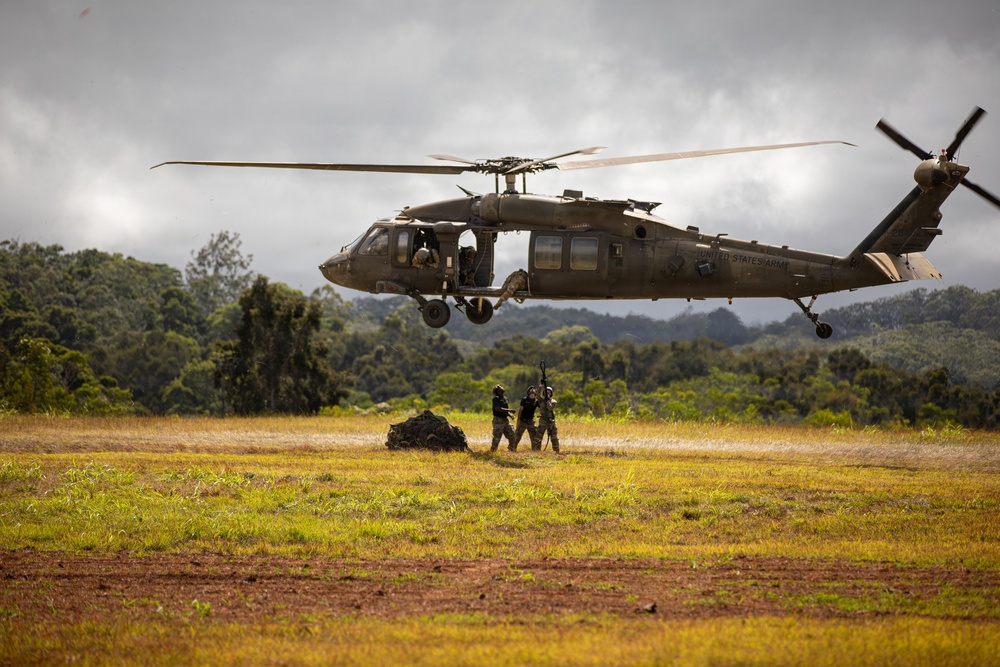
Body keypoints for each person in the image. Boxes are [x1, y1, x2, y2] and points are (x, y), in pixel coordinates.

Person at [511, 386, 540, 452]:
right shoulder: (524, 399)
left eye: (534, 389)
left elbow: (542, 407)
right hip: (523, 421)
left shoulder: (536, 401)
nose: (532, 390)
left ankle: (534, 450)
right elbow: (520, 410)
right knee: (517, 436)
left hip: (530, 421)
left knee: (533, 437)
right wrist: (518, 421)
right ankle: (512, 449)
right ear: (528, 391)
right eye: (531, 389)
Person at [490, 384, 516, 452]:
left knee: (512, 434)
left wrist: (509, 414)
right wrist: (510, 410)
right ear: (497, 391)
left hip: (505, 421)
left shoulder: (505, 398)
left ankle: (511, 449)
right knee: (497, 438)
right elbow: (498, 409)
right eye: (499, 387)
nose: (501, 387)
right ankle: (493, 451)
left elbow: (505, 409)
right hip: (498, 421)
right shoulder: (496, 398)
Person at [537, 386, 560, 453]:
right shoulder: (541, 400)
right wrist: (540, 387)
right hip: (543, 420)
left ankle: (556, 451)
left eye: (549, 391)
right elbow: (537, 394)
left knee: (554, 437)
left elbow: (550, 408)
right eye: (546, 391)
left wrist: (547, 400)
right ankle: (537, 450)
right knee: (539, 436)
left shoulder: (553, 401)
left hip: (551, 421)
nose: (548, 392)